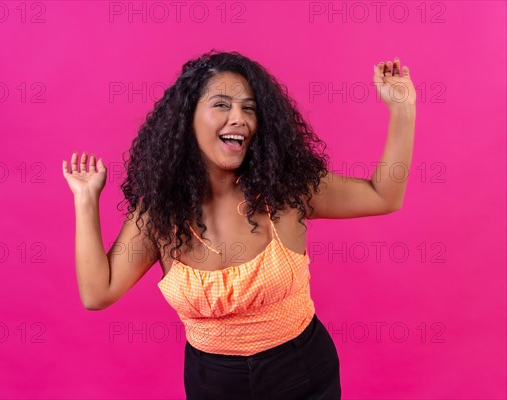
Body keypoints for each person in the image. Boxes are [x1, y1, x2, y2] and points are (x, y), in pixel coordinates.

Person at [62, 50, 416, 399]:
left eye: (249, 108)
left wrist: (402, 109)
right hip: (211, 383)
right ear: (188, 118)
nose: (239, 118)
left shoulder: (286, 190)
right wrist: (85, 200)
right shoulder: (161, 214)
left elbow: (382, 196)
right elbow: (98, 292)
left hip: (303, 372)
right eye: (221, 105)